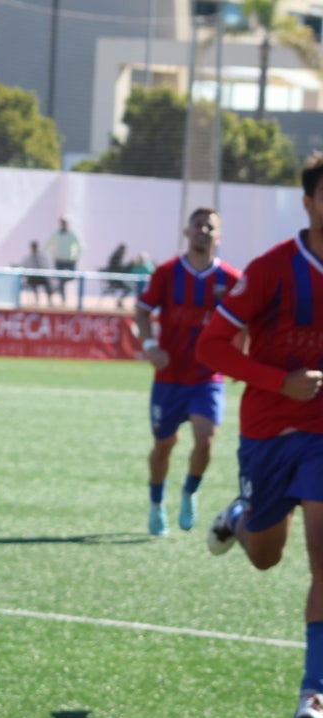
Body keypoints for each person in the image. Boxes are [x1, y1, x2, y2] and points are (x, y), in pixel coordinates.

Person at [197, 153, 323, 718]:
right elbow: (211, 348)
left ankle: (314, 693)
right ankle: (241, 516)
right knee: (266, 555)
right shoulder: (274, 269)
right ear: (308, 201)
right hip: (268, 433)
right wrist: (282, 383)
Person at [133, 208, 240, 537]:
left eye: (210, 226)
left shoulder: (232, 279)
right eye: (198, 225)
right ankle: (155, 504)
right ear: (187, 232)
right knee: (164, 445)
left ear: (218, 236)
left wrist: (239, 356)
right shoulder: (166, 272)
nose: (203, 230)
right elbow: (142, 309)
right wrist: (150, 345)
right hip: (169, 378)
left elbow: (248, 320)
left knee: (206, 441)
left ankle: (190, 492)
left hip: (207, 378)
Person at [46, 215, 81, 305]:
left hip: (69, 261)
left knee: (70, 277)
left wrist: (75, 257)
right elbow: (48, 245)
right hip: (59, 261)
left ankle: (54, 290)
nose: (63, 224)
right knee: (61, 280)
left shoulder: (72, 234)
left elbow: (79, 246)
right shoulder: (56, 234)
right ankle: (63, 299)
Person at [19, 239, 52, 305]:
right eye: (33, 247)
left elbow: (46, 266)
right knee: (31, 284)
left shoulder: (42, 256)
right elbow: (24, 267)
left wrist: (39, 260)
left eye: (35, 247)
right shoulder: (27, 257)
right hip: (32, 277)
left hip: (41, 277)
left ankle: (50, 301)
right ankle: (36, 301)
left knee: (48, 285)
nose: (34, 248)